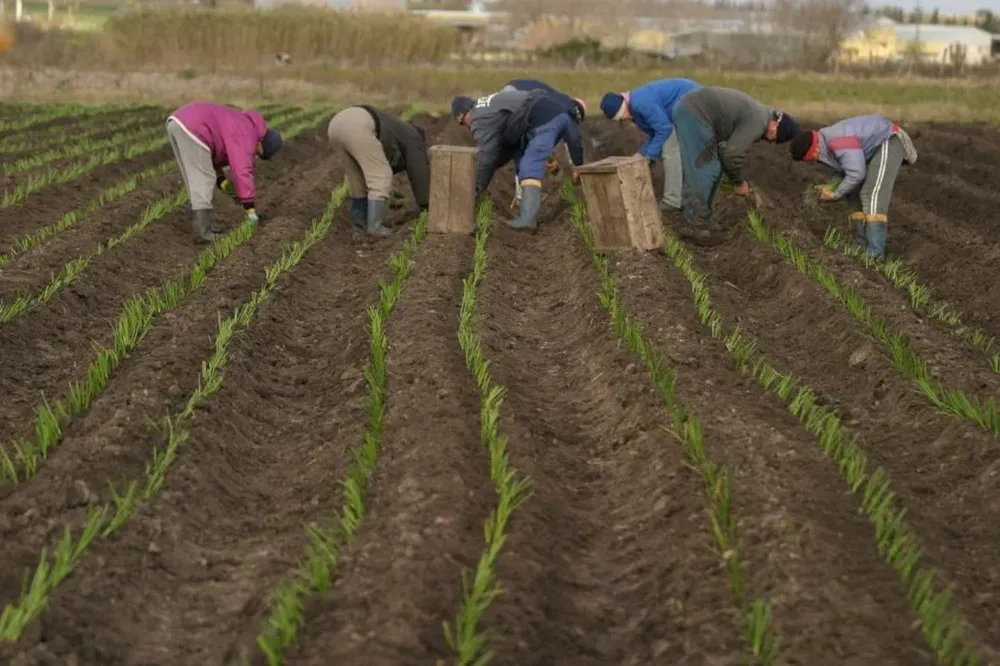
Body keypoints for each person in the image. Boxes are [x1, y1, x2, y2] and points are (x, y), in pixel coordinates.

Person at [669, 86, 798, 239]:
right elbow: (732, 154)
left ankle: (704, 219)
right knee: (704, 169)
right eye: (775, 137)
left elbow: (726, 150)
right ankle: (695, 225)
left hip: (696, 112)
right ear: (775, 124)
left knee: (713, 167)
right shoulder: (758, 121)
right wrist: (739, 182)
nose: (771, 141)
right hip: (693, 113)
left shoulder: (760, 116)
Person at [452, 88, 585, 230]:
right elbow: (504, 149)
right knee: (524, 160)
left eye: (463, 123)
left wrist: (475, 188)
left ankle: (527, 220)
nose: (467, 127)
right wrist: (578, 164)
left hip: (541, 118)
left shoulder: (478, 119)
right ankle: (526, 211)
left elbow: (487, 156)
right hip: (548, 112)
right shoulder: (487, 107)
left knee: (530, 165)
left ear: (464, 114)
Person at [789, 115, 917, 258]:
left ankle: (875, 253)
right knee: (853, 193)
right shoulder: (825, 143)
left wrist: (836, 193)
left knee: (870, 194)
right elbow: (844, 170)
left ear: (814, 149)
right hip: (870, 152)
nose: (814, 160)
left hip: (888, 140)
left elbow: (856, 173)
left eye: (812, 158)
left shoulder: (837, 141)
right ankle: (859, 247)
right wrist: (830, 187)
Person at [165, 101, 282, 243]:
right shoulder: (247, 135)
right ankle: (203, 232)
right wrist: (249, 207)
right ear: (262, 143)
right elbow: (242, 170)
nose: (255, 155)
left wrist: (228, 188)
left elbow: (212, 161)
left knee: (194, 174)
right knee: (203, 178)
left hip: (177, 121)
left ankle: (204, 226)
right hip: (194, 127)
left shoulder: (242, 124)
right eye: (259, 153)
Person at [327, 105, 430, 237]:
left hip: (336, 125)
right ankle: (375, 227)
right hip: (358, 125)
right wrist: (426, 204)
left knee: (357, 178)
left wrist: (389, 191)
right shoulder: (414, 138)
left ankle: (360, 225)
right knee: (380, 175)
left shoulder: (399, 130)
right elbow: (418, 172)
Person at [600, 77, 701, 212]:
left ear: (624, 104)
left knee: (669, 149)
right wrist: (641, 154)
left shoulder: (641, 103)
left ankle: (673, 200)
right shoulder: (634, 111)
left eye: (622, 114)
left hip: (693, 101)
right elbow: (654, 133)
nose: (625, 118)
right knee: (664, 148)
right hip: (680, 109)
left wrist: (649, 156)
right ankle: (684, 193)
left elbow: (664, 129)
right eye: (621, 119)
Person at [498, 78, 587, 206]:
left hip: (509, 91)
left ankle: (521, 195)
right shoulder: (568, 112)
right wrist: (578, 167)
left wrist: (548, 159)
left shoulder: (557, 102)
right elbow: (573, 139)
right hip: (519, 97)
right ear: (578, 115)